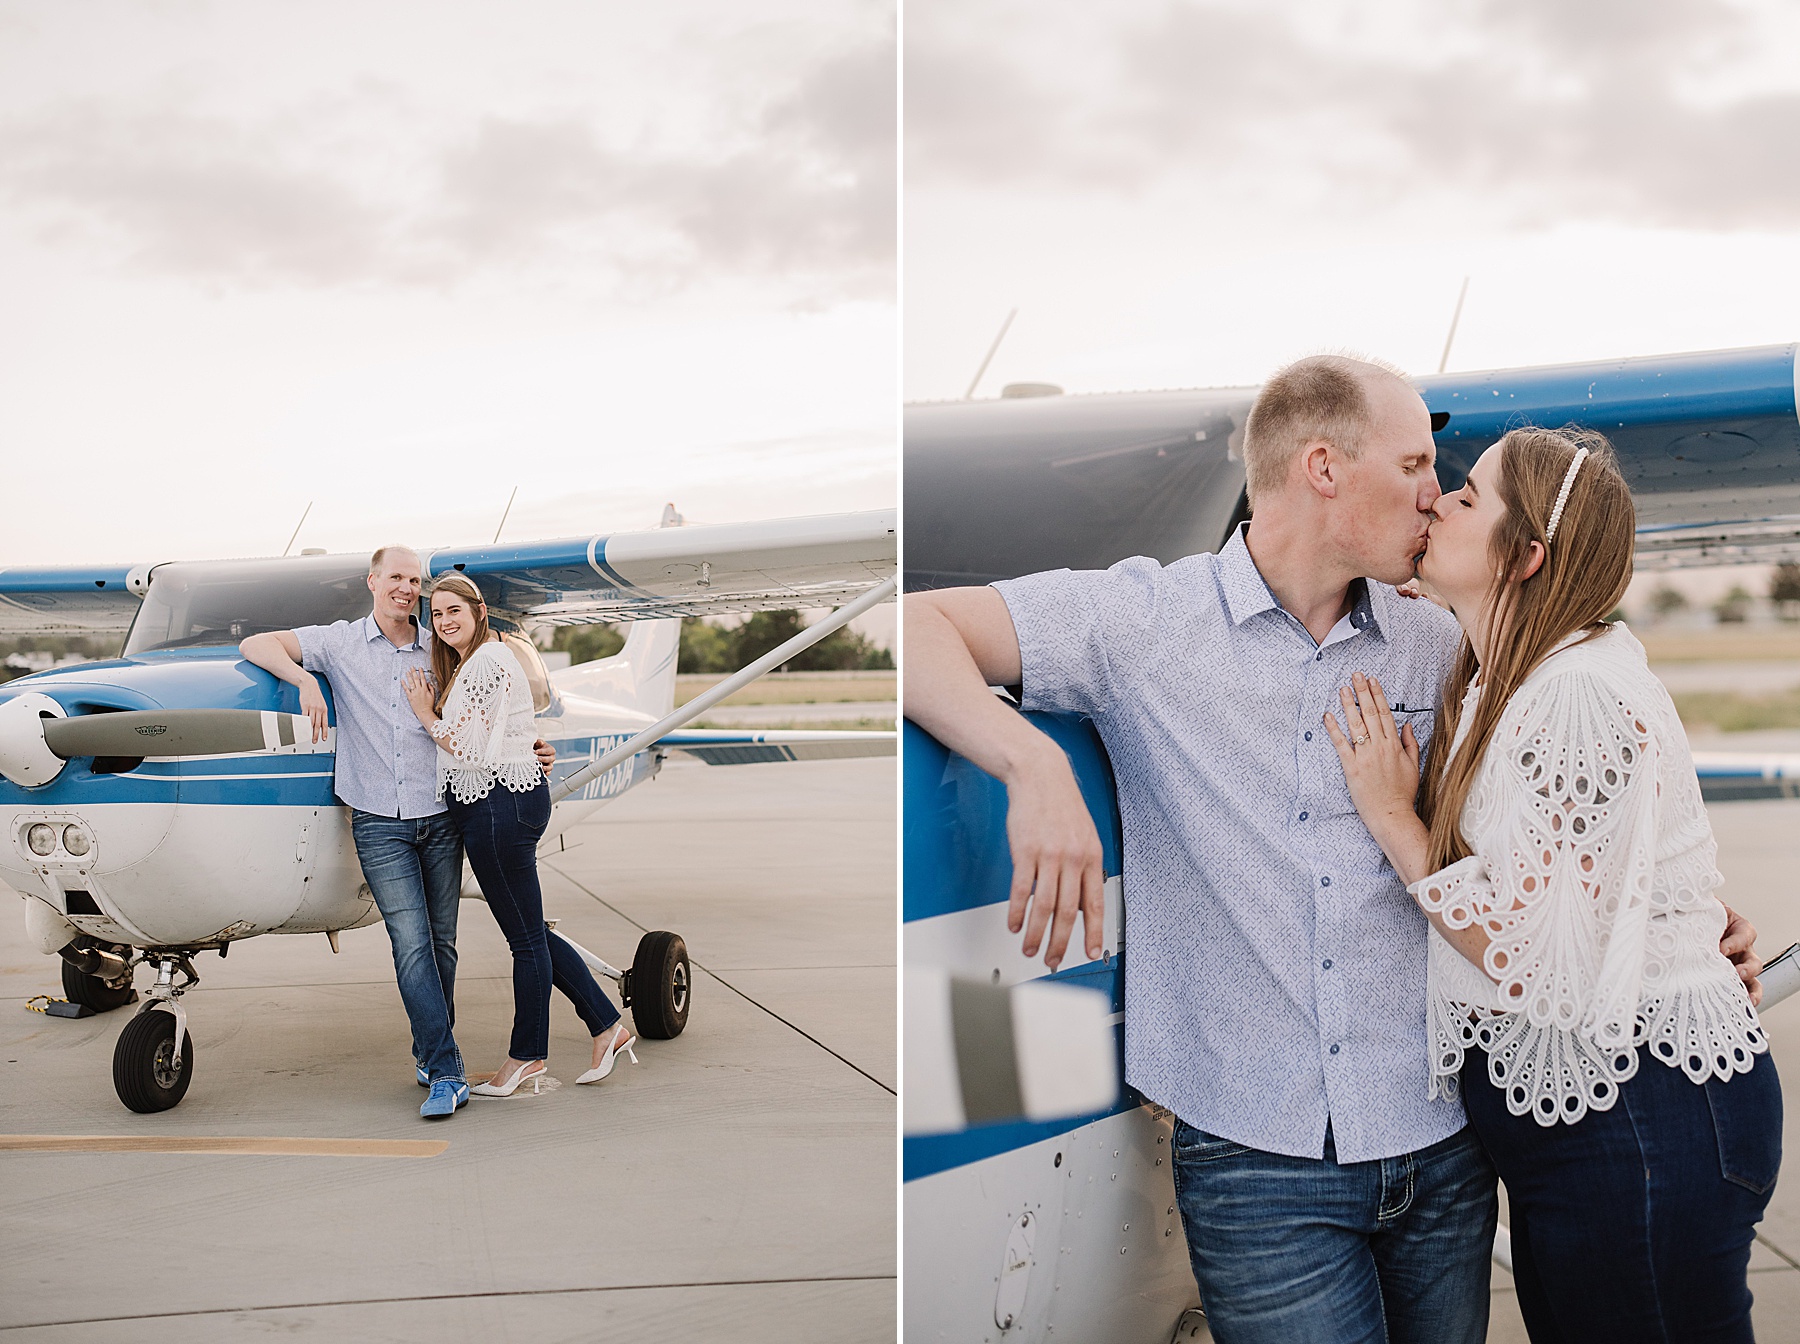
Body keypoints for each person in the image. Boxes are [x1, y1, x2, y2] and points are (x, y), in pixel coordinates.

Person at [902, 355, 1765, 1344]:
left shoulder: (1444, 646)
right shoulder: (1138, 625)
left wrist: (1675, 930)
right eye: (1413, 465)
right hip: (1259, 1164)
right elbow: (915, 624)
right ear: (1322, 468)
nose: (1434, 494)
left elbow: (1570, 804)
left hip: (1443, 1146)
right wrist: (1029, 765)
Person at [1326, 427, 1779, 1342]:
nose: (1439, 502)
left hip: (1637, 1128)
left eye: (1469, 496)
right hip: (1604, 1129)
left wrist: (1393, 821)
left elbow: (1528, 944)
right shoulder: (1514, 676)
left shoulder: (1572, 690)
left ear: (1525, 555)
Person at [239, 545, 555, 1121]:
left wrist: (524, 747)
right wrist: (303, 681)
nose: (407, 589)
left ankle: (430, 1049)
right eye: (396, 578)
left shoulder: (441, 642)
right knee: (410, 945)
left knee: (443, 945)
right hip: (378, 820)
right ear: (373, 581)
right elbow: (254, 645)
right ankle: (447, 1069)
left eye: (415, 581)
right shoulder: (337, 643)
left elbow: (486, 706)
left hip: (441, 815)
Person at [402, 573, 635, 1098]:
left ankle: (527, 1057)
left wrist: (423, 712)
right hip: (500, 802)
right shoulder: (475, 662)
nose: (444, 622)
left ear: (478, 610)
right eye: (436, 615)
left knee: (526, 941)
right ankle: (607, 1026)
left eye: (453, 611)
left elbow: (469, 746)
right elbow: (505, 730)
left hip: (497, 807)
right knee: (533, 934)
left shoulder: (485, 658)